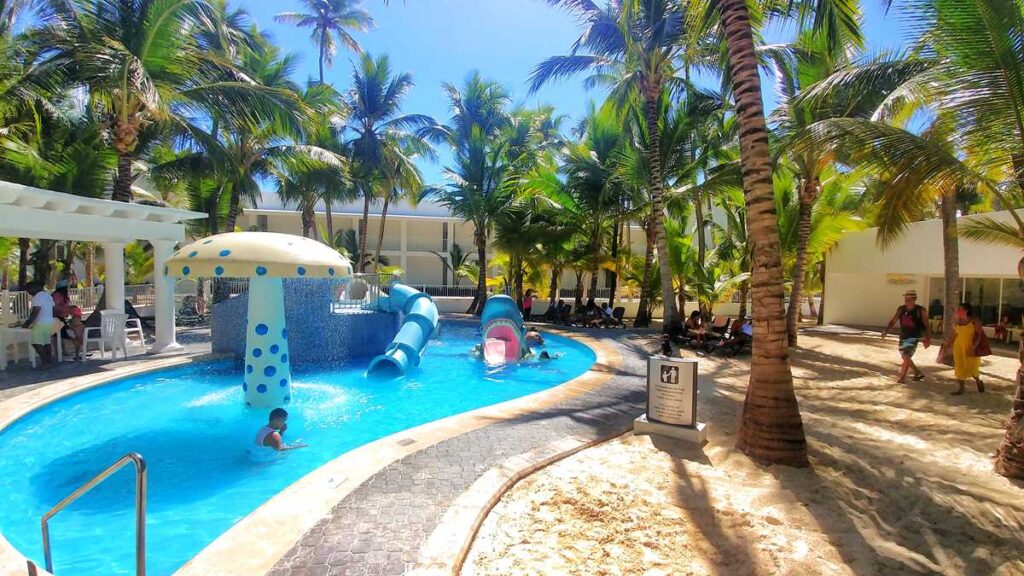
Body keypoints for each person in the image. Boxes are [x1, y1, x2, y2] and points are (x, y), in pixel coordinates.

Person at [882, 290, 931, 384]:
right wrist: (886, 330)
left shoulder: (920, 310)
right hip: (903, 336)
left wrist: (927, 338)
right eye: (906, 298)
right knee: (905, 356)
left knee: (906, 355)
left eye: (909, 299)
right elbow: (893, 320)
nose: (906, 300)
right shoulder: (901, 309)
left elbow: (926, 325)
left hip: (914, 336)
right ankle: (915, 373)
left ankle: (905, 376)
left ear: (914, 299)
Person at [949, 302, 985, 395]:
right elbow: (954, 334)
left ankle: (978, 381)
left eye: (960, 309)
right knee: (959, 366)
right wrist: (949, 344)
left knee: (972, 367)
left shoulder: (974, 321)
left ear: (966, 310)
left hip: (971, 347)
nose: (958, 311)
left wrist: (974, 346)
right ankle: (961, 389)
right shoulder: (957, 321)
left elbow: (980, 335)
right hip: (958, 347)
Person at [21, 282, 55, 369]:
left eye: (28, 290)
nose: (29, 292)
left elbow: (35, 311)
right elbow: (53, 308)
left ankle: (45, 362)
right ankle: (49, 361)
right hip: (49, 322)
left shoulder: (38, 297)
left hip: (40, 323)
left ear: (34, 288)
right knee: (46, 342)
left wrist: (28, 323)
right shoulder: (47, 295)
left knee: (36, 343)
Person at [53, 281, 85, 361]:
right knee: (59, 335)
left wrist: (70, 309)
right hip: (55, 317)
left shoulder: (65, 296)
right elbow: (55, 307)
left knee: (62, 335)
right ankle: (58, 352)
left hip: (62, 316)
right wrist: (67, 309)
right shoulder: (57, 295)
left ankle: (64, 351)